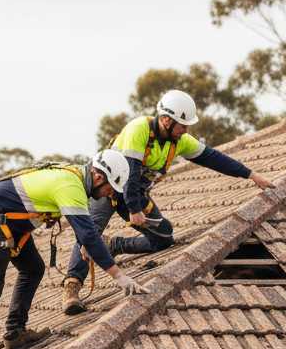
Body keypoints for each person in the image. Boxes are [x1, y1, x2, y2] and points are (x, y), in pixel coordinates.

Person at [62, 89, 275, 314]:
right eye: (183, 125)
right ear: (165, 120)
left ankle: (115, 245)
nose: (186, 130)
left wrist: (251, 174)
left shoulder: (179, 141)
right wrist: (134, 209)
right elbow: (131, 173)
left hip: (136, 194)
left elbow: (213, 158)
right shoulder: (138, 129)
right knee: (89, 232)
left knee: (164, 237)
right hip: (108, 189)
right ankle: (72, 288)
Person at [0, 151, 148, 349]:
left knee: (33, 269)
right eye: (110, 189)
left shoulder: (75, 178)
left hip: (8, 222)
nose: (109, 195)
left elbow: (82, 226)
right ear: (98, 177)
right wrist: (119, 276)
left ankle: (16, 334)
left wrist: (83, 241)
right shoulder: (71, 185)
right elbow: (90, 235)